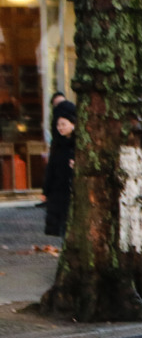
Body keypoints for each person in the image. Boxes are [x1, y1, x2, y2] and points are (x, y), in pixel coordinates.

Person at [43, 99, 76, 238]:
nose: (60, 127)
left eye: (63, 124)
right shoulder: (57, 144)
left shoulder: (78, 143)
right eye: (58, 125)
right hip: (58, 190)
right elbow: (51, 168)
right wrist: (46, 190)